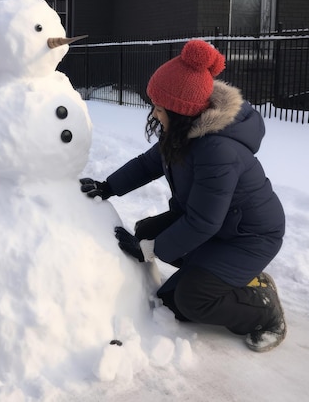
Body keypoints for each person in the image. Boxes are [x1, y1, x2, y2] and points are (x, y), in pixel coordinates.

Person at [80, 39, 287, 352]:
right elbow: (149, 163)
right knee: (150, 245)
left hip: (248, 237)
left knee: (189, 301)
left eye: (159, 108)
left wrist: (150, 251)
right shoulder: (182, 133)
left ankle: (264, 311)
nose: (154, 113)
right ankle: (229, 276)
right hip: (218, 225)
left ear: (181, 112)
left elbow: (204, 223)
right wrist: (108, 186)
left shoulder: (217, 151)